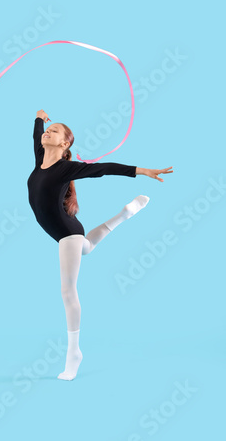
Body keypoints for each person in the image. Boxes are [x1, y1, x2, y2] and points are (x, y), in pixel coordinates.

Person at [27, 109, 173, 381]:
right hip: (71, 232)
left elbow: (104, 168)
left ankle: (74, 353)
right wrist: (39, 118)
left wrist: (143, 171)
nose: (48, 132)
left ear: (65, 144)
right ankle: (124, 214)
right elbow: (36, 134)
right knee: (87, 247)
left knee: (68, 290)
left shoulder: (66, 168)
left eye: (55, 130)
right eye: (49, 129)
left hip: (66, 233)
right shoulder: (40, 160)